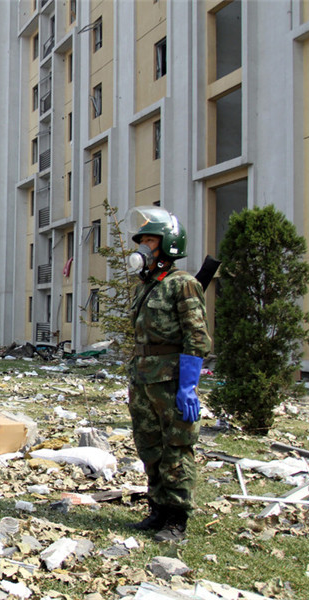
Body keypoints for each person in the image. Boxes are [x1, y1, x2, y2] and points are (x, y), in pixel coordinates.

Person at [125, 207, 211, 543]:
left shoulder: (184, 284)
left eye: (149, 239)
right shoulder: (146, 286)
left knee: (176, 448)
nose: (143, 247)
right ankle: (157, 510)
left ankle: (177, 520)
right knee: (150, 446)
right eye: (142, 240)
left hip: (173, 379)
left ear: (168, 244)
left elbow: (197, 337)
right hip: (144, 378)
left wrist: (189, 386)